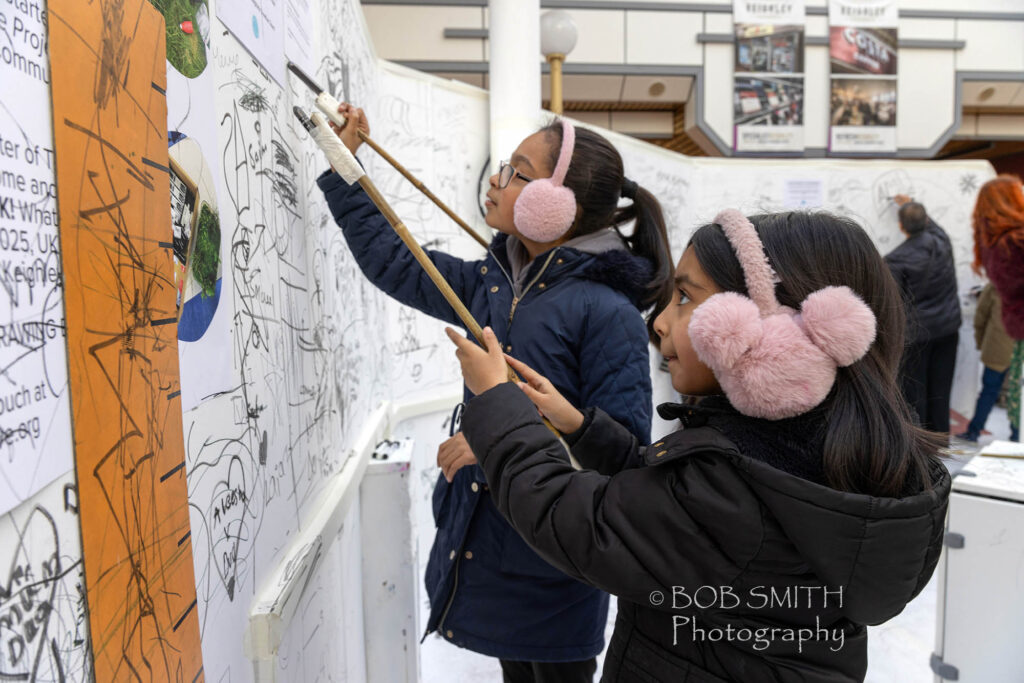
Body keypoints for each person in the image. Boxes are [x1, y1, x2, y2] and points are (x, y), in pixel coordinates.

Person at [447, 210, 950, 682]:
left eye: (685, 298)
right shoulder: (815, 462)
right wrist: (580, 427)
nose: (660, 322)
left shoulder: (733, 491)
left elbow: (572, 519)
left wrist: (497, 401)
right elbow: (669, 514)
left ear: (778, 337)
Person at [317, 104, 673, 681]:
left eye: (516, 171)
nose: (496, 178)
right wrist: (343, 162)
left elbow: (624, 455)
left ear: (558, 204)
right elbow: (395, 264)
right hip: (496, 537)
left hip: (558, 560)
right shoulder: (495, 279)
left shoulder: (606, 312)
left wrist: (493, 443)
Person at [884, 196, 961, 433]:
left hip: (918, 336)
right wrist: (912, 203)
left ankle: (924, 449)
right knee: (941, 389)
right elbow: (931, 224)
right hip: (948, 329)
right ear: (926, 220)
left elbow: (895, 304)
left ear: (900, 226)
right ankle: (941, 442)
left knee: (915, 394)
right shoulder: (941, 241)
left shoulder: (894, 259)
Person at [972, 174, 1024, 442]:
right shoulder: (1015, 241)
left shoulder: (991, 244)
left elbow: (982, 315)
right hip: (1013, 336)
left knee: (996, 390)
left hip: (1008, 336)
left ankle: (980, 432)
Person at [955, 284, 1018, 442]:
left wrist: (981, 342)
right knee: (1017, 395)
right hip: (1017, 348)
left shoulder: (996, 284)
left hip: (997, 346)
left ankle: (974, 431)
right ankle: (1017, 435)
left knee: (989, 391)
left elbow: (981, 317)